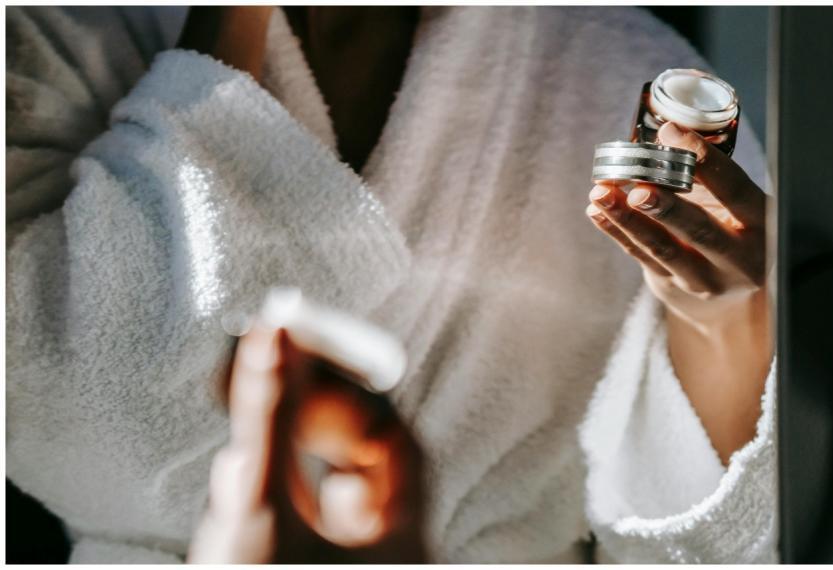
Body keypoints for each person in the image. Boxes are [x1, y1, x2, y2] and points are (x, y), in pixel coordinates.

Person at [6, 6, 776, 564]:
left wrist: (719, 315)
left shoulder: (611, 60)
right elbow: (72, 422)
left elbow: (687, 542)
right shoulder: (50, 29)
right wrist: (226, 29)